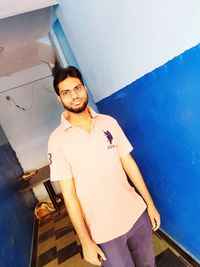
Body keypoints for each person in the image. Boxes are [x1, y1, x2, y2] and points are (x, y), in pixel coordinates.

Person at [48, 63, 160, 267]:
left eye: (77, 88)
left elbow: (129, 163)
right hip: (102, 232)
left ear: (84, 88)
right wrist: (85, 240)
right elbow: (69, 195)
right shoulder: (56, 141)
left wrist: (150, 205)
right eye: (66, 92)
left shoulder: (108, 122)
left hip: (136, 215)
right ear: (59, 98)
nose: (74, 96)